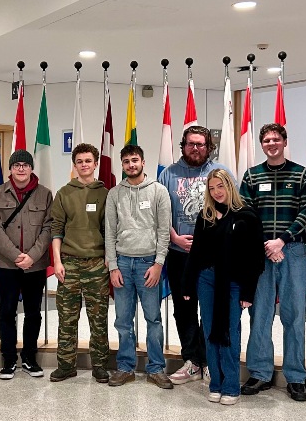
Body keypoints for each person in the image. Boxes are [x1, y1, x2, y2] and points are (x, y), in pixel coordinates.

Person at [238, 123, 306, 401]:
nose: (271, 144)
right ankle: (260, 372)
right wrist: (266, 246)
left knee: (294, 316)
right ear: (262, 145)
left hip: (292, 252)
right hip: (260, 253)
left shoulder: (301, 174)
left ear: (284, 141)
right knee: (260, 314)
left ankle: (295, 376)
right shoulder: (251, 176)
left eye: (276, 139)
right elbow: (246, 215)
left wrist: (281, 240)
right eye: (267, 140)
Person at [183, 169, 263, 405]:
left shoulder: (246, 215)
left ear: (230, 186)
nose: (216, 192)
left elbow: (255, 258)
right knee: (209, 331)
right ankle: (215, 383)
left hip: (234, 282)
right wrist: (187, 284)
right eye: (212, 188)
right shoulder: (205, 216)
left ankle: (231, 386)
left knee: (229, 332)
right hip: (207, 280)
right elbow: (196, 253)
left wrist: (248, 292)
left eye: (221, 186)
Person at [158, 125, 232, 385]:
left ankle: (208, 359)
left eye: (201, 144)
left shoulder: (220, 172)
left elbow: (232, 210)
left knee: (211, 309)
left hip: (212, 257)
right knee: (184, 309)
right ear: (183, 145)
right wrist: (174, 237)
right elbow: (159, 214)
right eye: (191, 143)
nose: (196, 148)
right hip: (179, 254)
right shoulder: (168, 174)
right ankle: (192, 361)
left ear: (208, 147)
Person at [105, 145, 173, 389]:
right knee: (123, 320)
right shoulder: (114, 194)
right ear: (122, 165)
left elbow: (164, 231)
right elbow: (110, 232)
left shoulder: (159, 191)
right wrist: (113, 266)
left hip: (148, 265)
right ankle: (125, 367)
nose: (131, 165)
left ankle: (156, 368)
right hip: (122, 263)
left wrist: (158, 264)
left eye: (135, 160)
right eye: (126, 161)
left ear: (143, 162)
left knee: (153, 319)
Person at [0, 149, 53, 379]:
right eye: (17, 165)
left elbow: (48, 228)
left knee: (33, 312)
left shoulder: (45, 194)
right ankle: (8, 359)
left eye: (25, 165)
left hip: (35, 265)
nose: (21, 169)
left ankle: (29, 357)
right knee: (6, 312)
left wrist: (32, 256)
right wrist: (16, 256)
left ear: (32, 168)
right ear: (11, 169)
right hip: (7, 264)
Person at [49, 143, 110, 383]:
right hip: (69, 263)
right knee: (67, 317)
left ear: (95, 164)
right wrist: (57, 260)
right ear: (74, 165)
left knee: (99, 318)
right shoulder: (64, 192)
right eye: (79, 161)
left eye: (88, 161)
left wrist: (108, 259)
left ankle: (100, 366)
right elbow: (56, 229)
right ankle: (65, 365)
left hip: (97, 264)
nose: (84, 165)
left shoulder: (106, 193)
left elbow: (110, 230)